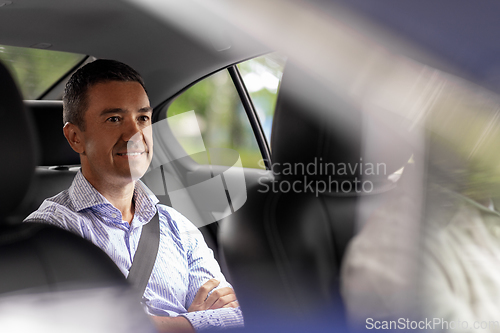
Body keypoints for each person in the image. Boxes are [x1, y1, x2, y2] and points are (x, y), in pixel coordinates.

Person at [24, 59, 243, 332]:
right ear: (75, 137)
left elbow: (234, 316)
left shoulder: (178, 227)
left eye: (143, 118)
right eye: (114, 119)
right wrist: (191, 323)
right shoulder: (49, 231)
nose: (135, 133)